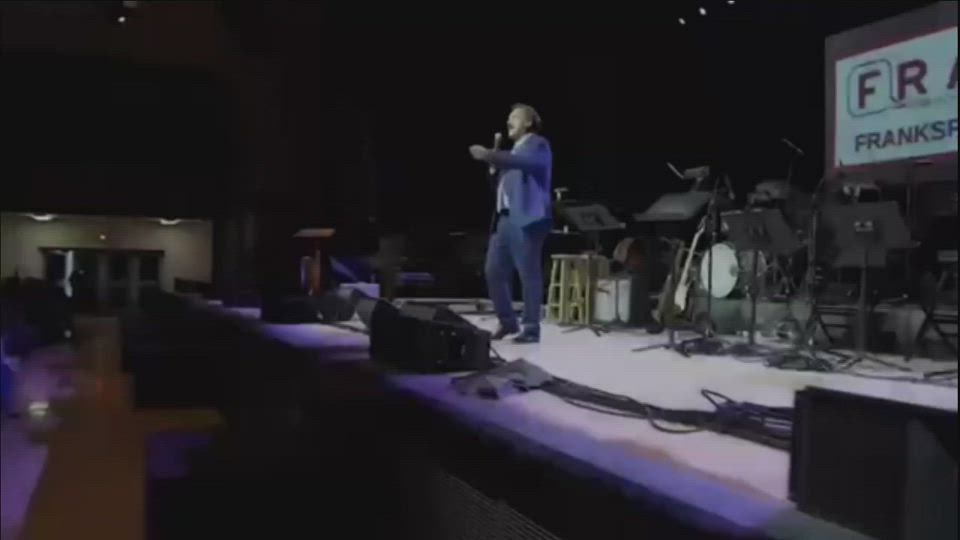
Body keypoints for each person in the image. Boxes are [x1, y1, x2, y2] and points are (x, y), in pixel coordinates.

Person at [469, 104, 552, 343]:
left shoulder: (538, 144)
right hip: (505, 219)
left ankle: (531, 329)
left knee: (528, 274)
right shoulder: (512, 154)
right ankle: (507, 322)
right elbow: (503, 185)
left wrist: (488, 154)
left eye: (514, 117)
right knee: (493, 271)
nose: (508, 121)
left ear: (529, 122)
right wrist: (494, 170)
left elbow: (526, 163)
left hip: (527, 218)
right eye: (508, 117)